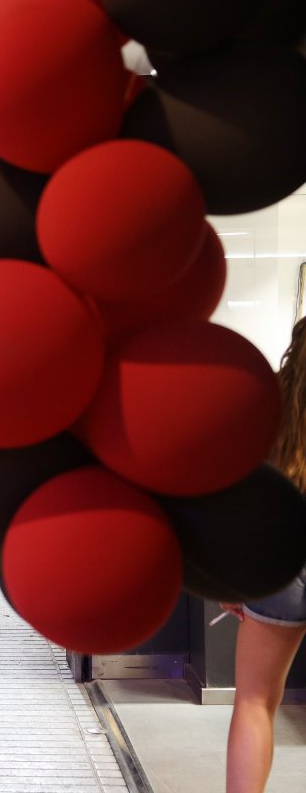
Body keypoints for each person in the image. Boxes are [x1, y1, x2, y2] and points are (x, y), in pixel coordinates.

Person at [223, 318, 306, 793]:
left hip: (283, 565)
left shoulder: (270, 407)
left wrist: (233, 581)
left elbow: (246, 501)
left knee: (255, 702)